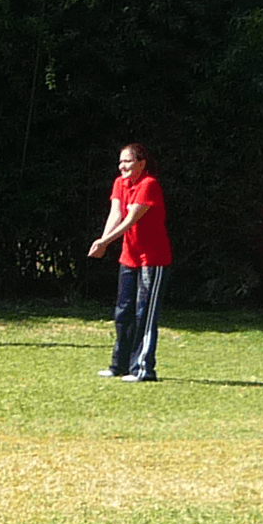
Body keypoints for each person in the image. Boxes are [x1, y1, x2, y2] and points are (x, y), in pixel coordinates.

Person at [88, 143, 172, 382]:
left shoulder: (149, 184)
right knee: (123, 312)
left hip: (152, 260)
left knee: (144, 314)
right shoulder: (120, 183)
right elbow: (115, 214)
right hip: (130, 257)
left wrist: (104, 243)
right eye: (121, 161)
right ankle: (119, 365)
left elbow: (130, 220)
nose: (122, 166)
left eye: (128, 161)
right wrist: (102, 240)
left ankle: (143, 369)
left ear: (141, 163)